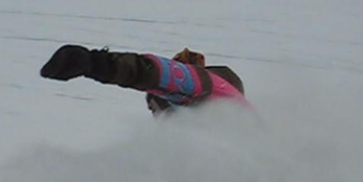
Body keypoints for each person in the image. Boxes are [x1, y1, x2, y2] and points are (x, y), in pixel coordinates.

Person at [40, 44, 252, 116]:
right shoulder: (195, 120)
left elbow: (152, 73)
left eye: (153, 106)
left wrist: (94, 64)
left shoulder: (202, 85)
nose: (154, 113)